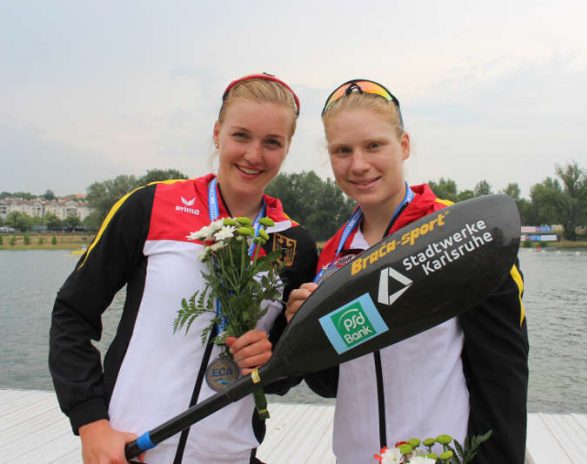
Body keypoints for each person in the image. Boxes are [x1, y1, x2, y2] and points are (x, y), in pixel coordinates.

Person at [49, 73, 318, 464]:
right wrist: (90, 423)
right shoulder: (149, 205)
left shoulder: (295, 244)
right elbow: (72, 314)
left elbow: (283, 377)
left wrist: (270, 355)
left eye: (272, 142)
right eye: (241, 135)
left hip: (229, 455)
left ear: (287, 148)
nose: (254, 155)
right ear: (217, 133)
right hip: (131, 450)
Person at [286, 79, 528, 464]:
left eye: (374, 146)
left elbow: (504, 372)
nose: (359, 164)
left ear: (404, 145)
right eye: (342, 151)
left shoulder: (460, 234)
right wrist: (306, 330)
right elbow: (330, 383)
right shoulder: (332, 255)